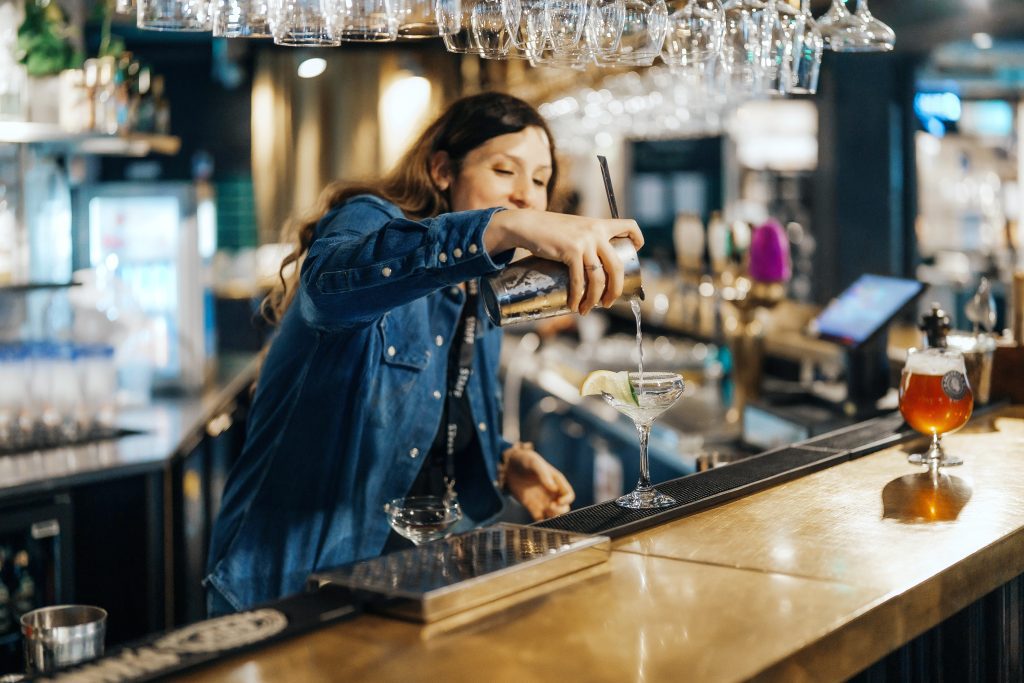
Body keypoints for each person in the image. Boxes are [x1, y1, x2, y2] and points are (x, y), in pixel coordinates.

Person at [204, 92, 644, 615]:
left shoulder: (481, 286)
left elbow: (425, 417)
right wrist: (499, 225)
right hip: (294, 589)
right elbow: (326, 289)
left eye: (540, 179)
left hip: (405, 585)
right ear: (441, 170)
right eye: (504, 170)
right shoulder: (368, 218)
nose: (526, 195)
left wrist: (501, 462)